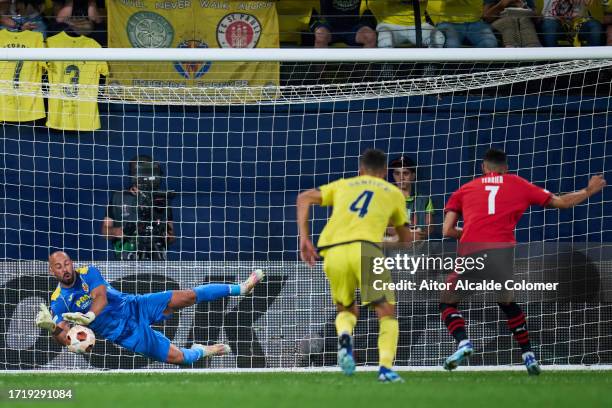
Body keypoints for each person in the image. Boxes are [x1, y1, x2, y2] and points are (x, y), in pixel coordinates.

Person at [441, 148, 606, 375]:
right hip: (502, 252)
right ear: (506, 168)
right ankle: (528, 355)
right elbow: (562, 202)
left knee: (447, 302)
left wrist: (474, 232)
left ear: (483, 168)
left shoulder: (464, 189)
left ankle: (463, 342)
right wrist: (590, 189)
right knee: (507, 303)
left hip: (472, 251)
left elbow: (447, 230)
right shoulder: (518, 183)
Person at [296, 148, 416, 383]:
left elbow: (304, 197)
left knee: (347, 309)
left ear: (361, 170)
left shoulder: (344, 185)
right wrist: (392, 240)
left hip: (334, 252)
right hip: (367, 251)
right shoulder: (393, 193)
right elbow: (405, 239)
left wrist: (304, 238)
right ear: (383, 173)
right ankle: (385, 369)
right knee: (386, 313)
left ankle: (344, 337)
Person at [35, 251, 265, 365]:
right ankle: (203, 350)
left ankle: (241, 288)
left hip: (134, 305)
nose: (64, 268)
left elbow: (101, 298)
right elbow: (67, 338)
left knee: (187, 296)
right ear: (51, 271)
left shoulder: (88, 272)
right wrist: (53, 329)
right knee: (179, 358)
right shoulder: (58, 300)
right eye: (58, 266)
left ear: (72, 263)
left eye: (66, 263)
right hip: (124, 333)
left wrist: (90, 316)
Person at [102, 155, 175, 261]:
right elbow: (105, 231)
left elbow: (172, 236)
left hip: (155, 258)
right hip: (126, 260)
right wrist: (121, 231)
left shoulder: (161, 199)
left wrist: (163, 234)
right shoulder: (118, 198)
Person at [385, 155, 435, 241]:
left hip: (418, 250)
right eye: (397, 173)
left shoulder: (425, 200)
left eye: (405, 173)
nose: (401, 178)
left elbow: (430, 227)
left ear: (413, 176)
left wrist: (420, 233)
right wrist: (409, 234)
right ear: (393, 175)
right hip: (392, 250)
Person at [369, 0, 445, 48]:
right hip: (391, 25)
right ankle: (387, 72)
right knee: (385, 42)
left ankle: (428, 71)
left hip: (420, 25)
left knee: (438, 38)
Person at [427, 0, 498, 47]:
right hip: (447, 22)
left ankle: (481, 69)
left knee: (490, 44)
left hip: (475, 21)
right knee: (452, 46)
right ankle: (451, 70)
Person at [311, 0, 377, 47]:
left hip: (354, 27)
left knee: (370, 36)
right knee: (320, 35)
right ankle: (317, 66)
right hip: (330, 26)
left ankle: (364, 67)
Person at [539, 0, 604, 47]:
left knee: (595, 26)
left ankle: (593, 61)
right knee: (549, 25)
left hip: (579, 24)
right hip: (555, 23)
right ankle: (552, 62)